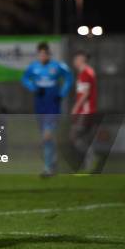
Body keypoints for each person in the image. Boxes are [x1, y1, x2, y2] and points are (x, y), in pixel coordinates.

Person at [21, 41, 73, 177]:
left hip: (52, 105)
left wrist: (62, 94)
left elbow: (69, 78)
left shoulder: (57, 66)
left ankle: (47, 168)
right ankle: (52, 164)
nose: (43, 56)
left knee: (47, 136)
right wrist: (34, 88)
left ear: (49, 54)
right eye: (40, 54)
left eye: (45, 54)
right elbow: (25, 79)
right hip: (40, 105)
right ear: (38, 55)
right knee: (48, 138)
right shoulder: (33, 67)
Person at [70, 50, 98, 171]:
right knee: (85, 138)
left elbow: (85, 94)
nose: (74, 62)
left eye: (76, 59)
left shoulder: (85, 73)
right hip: (89, 111)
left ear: (81, 59)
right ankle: (88, 165)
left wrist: (75, 108)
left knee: (74, 137)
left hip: (85, 112)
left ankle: (92, 158)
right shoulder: (88, 72)